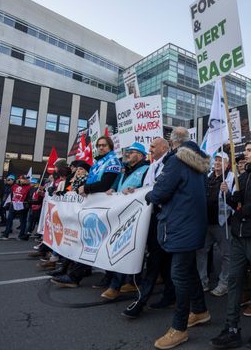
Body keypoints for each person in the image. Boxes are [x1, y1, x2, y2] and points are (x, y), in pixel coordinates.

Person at [145, 127, 211, 350]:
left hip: (180, 226)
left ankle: (179, 328)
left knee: (179, 275)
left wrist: (147, 194)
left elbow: (160, 192)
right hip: (191, 225)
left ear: (172, 144)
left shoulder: (176, 161)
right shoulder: (199, 163)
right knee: (189, 270)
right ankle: (200, 311)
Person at [209, 140, 251, 349]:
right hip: (239, 235)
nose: (245, 154)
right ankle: (231, 328)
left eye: (248, 150)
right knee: (234, 280)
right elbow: (237, 204)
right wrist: (230, 197)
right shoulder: (243, 176)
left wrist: (244, 209)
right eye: (245, 150)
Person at [122, 137, 176, 318]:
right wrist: (133, 191)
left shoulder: (170, 164)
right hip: (151, 217)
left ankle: (141, 300)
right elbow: (146, 189)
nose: (150, 149)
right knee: (163, 261)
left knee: (155, 260)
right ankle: (171, 295)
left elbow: (161, 191)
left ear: (163, 147)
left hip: (165, 219)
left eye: (153, 146)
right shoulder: (153, 166)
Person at [99, 142, 150, 299]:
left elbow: (148, 189)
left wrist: (136, 191)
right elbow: (116, 187)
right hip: (122, 214)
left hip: (137, 215)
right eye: (128, 151)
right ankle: (132, 280)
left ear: (141, 155)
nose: (128, 153)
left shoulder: (146, 170)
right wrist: (112, 190)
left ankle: (115, 286)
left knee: (124, 248)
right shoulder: (124, 170)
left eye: (132, 151)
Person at [197, 152, 233, 296]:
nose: (217, 163)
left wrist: (227, 192)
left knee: (226, 255)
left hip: (223, 223)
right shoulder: (208, 177)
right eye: (216, 160)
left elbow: (235, 199)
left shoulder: (231, 178)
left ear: (227, 164)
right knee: (200, 252)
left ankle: (224, 283)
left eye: (221, 161)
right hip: (206, 222)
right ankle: (201, 281)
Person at [0, 175, 33, 240]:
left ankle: (21, 235)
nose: (24, 180)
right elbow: (11, 195)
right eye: (23, 179)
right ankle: (6, 235)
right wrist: (9, 202)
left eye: (26, 179)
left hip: (23, 206)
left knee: (23, 221)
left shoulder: (29, 187)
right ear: (20, 179)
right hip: (14, 205)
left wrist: (27, 204)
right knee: (9, 219)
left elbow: (30, 197)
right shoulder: (14, 186)